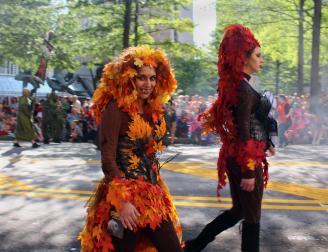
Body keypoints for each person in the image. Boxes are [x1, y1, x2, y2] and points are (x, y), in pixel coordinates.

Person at [79, 46, 182, 252]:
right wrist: (123, 202)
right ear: (130, 79)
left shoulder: (152, 110)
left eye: (152, 78)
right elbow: (108, 159)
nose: (148, 84)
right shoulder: (115, 110)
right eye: (142, 78)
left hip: (153, 195)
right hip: (126, 197)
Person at [184, 24, 275, 252]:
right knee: (252, 216)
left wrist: (268, 140)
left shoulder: (238, 84)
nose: (261, 60)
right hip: (246, 159)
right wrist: (247, 171)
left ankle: (196, 245)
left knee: (239, 211)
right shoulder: (242, 88)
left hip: (238, 155)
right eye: (258, 55)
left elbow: (247, 123)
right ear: (243, 58)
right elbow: (243, 128)